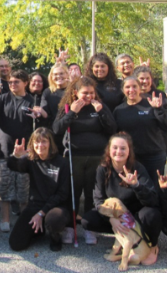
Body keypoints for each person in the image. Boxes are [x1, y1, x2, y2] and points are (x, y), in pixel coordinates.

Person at [53, 75, 116, 244]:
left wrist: (101, 111)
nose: (88, 96)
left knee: (92, 192)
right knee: (72, 193)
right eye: (84, 93)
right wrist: (72, 112)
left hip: (97, 156)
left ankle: (90, 228)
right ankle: (70, 227)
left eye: (91, 93)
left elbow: (112, 128)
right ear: (75, 93)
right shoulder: (68, 107)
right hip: (75, 156)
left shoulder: (100, 107)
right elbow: (57, 129)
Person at [81, 133, 161, 264]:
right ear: (109, 150)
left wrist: (136, 185)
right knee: (87, 220)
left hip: (136, 216)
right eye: (115, 147)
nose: (119, 151)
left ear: (129, 151)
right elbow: (98, 200)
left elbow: (152, 200)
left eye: (123, 148)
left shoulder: (137, 168)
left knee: (152, 214)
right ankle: (123, 238)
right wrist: (111, 219)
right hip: (117, 216)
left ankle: (153, 246)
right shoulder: (103, 169)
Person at [0, 69, 38, 232]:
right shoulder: (2, 99)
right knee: (4, 189)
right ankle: (5, 220)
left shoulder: (32, 101)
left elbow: (40, 124)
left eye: (16, 82)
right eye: (10, 82)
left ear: (25, 83)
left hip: (25, 153)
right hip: (5, 151)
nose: (12, 85)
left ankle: (24, 221)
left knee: (24, 190)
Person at [8, 128, 71, 252]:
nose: (40, 145)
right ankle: (38, 232)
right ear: (32, 144)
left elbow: (62, 194)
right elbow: (13, 166)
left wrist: (41, 213)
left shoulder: (62, 163)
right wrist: (15, 156)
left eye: (44, 141)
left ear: (50, 143)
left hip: (57, 207)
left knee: (54, 219)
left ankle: (55, 237)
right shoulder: (31, 161)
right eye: (37, 142)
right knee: (16, 244)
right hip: (35, 205)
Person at [113, 77, 167, 184]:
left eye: (134, 86)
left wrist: (158, 109)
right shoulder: (119, 110)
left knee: (154, 187)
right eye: (127, 87)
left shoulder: (151, 105)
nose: (131, 90)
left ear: (140, 89)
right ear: (123, 90)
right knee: (135, 187)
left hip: (154, 155)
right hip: (132, 157)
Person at [40, 63, 70, 154]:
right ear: (51, 77)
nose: (59, 76)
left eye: (61, 73)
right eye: (55, 74)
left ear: (67, 74)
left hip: (70, 132)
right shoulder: (48, 92)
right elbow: (45, 111)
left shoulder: (73, 90)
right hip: (53, 133)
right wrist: (39, 111)